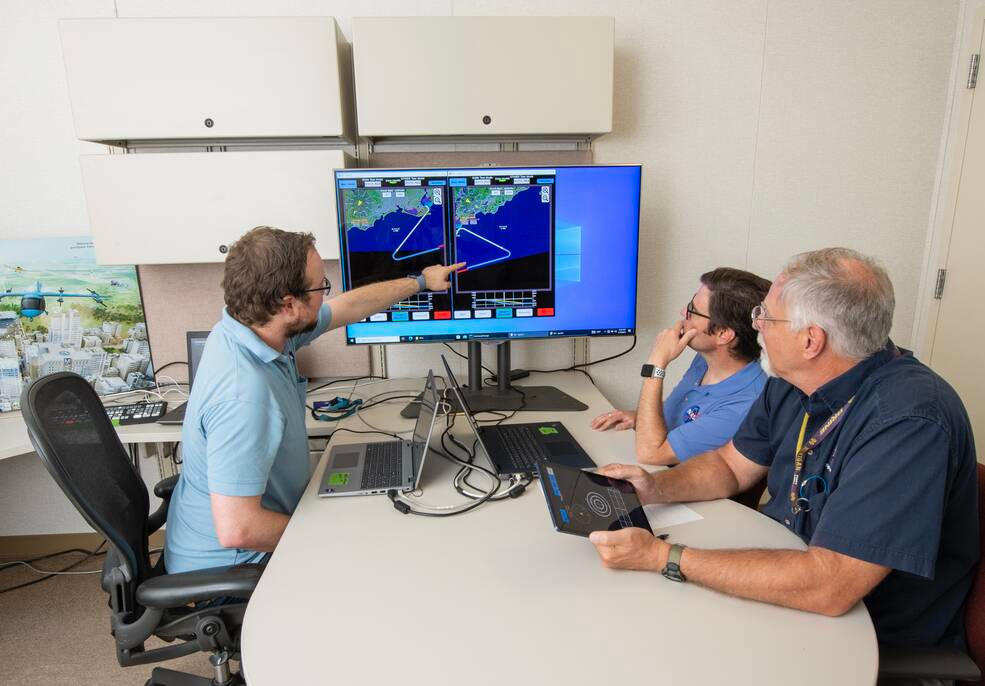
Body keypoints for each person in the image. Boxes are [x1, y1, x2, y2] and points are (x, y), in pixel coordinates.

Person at [589, 247, 979, 652]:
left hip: (863, 634)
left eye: (765, 316)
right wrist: (654, 487)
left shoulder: (909, 421)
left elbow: (831, 584)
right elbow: (730, 465)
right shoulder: (791, 380)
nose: (755, 327)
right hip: (790, 581)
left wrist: (665, 558)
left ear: (811, 340)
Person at [164, 226, 464, 573]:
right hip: (235, 569)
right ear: (289, 305)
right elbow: (239, 530)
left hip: (241, 537)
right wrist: (330, 535)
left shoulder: (252, 327)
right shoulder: (244, 395)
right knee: (387, 554)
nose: (326, 294)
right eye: (321, 286)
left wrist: (421, 282)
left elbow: (348, 307)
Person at [592, 268, 771, 465]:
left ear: (723, 334)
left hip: (676, 485)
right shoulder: (706, 359)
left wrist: (656, 363)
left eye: (692, 311)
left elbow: (651, 455)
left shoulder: (742, 405)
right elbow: (685, 414)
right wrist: (640, 417)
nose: (682, 313)